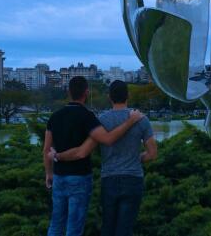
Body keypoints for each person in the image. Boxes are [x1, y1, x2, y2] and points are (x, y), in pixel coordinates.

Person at [49, 80, 157, 236]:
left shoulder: (101, 120)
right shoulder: (141, 119)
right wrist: (135, 158)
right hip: (133, 179)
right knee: (125, 230)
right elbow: (152, 153)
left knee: (107, 228)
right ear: (128, 96)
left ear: (109, 97)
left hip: (109, 179)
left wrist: (57, 156)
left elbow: (82, 151)